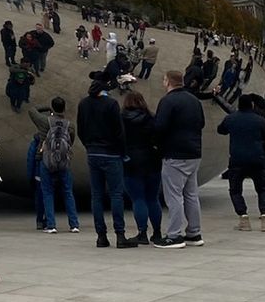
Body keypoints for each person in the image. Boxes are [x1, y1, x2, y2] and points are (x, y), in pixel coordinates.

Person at [76, 79, 135, 249]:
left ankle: (101, 236)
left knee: (97, 195)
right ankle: (120, 234)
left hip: (93, 152)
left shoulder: (84, 104)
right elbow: (119, 131)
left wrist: (88, 145)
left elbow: (81, 129)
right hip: (111, 153)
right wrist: (122, 152)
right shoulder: (111, 104)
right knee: (116, 194)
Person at [153, 68, 205, 248]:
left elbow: (159, 126)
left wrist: (156, 145)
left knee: (174, 195)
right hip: (194, 152)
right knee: (191, 194)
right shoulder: (194, 100)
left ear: (168, 81)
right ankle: (194, 232)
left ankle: (174, 234)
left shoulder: (168, 101)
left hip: (175, 153)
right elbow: (202, 123)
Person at [217, 94, 265, 231]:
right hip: (257, 158)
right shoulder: (260, 120)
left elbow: (220, 130)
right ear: (251, 105)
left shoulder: (231, 119)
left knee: (235, 190)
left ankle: (243, 217)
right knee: (263, 189)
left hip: (237, 159)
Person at [29, 95, 79, 234]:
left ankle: (51, 225)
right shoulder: (70, 125)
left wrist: (46, 108)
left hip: (45, 160)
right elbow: (70, 142)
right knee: (68, 192)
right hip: (63, 161)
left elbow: (32, 111)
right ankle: (74, 224)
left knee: (47, 192)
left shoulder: (45, 121)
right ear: (64, 108)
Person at [121, 89, 164, 246]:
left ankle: (142, 232)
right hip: (152, 161)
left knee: (138, 198)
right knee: (153, 198)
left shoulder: (122, 119)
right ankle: (157, 232)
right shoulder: (151, 118)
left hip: (131, 162)